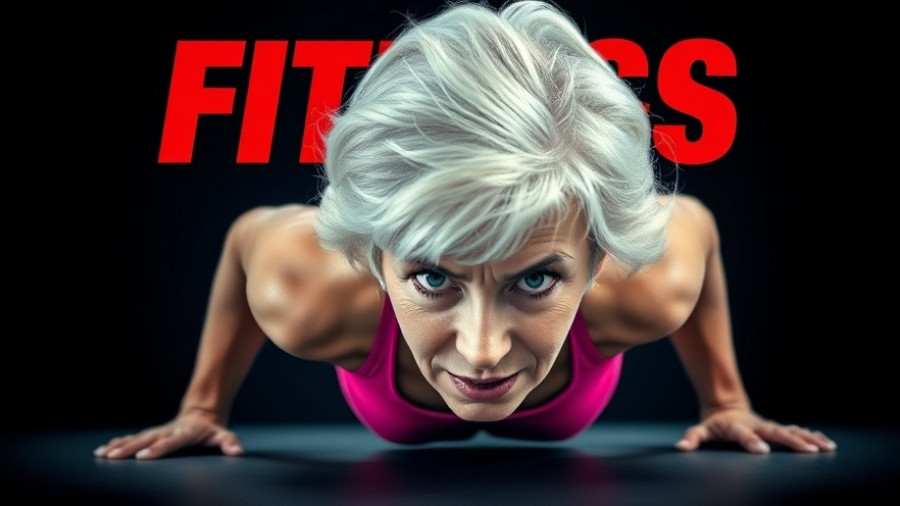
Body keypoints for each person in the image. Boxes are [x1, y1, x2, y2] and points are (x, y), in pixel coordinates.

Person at [95, 0, 836, 460]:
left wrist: (726, 401)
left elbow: (696, 225)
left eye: (536, 279)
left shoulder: (651, 285)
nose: (483, 352)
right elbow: (242, 238)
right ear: (373, 259)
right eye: (433, 277)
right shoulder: (307, 291)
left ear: (599, 259)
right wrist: (201, 409)